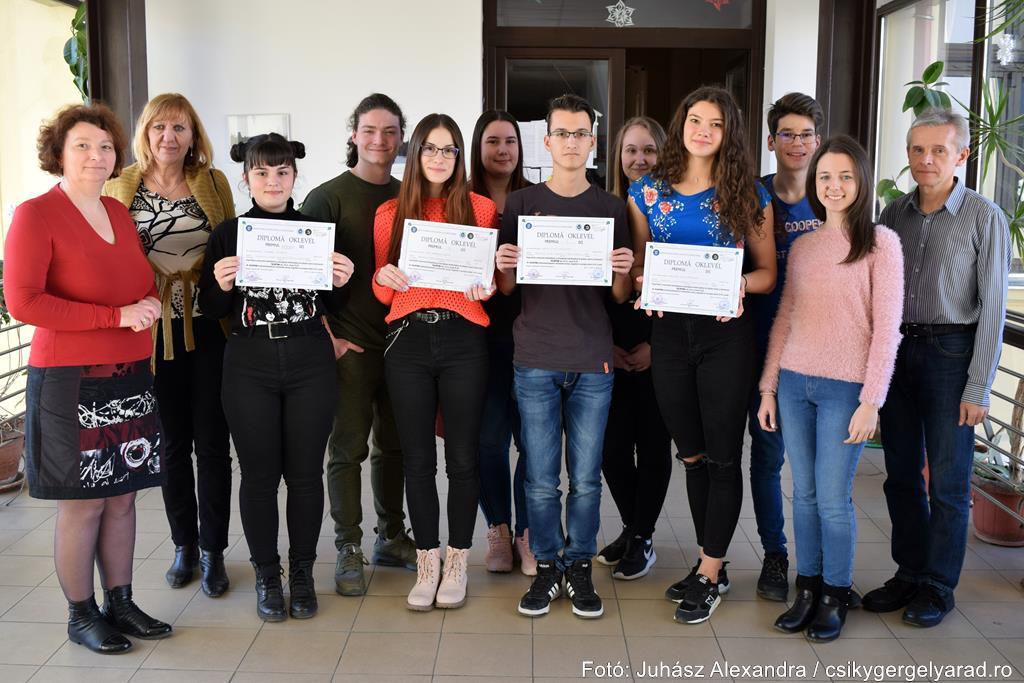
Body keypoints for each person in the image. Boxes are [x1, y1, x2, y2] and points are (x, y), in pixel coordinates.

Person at [5, 103, 169, 654]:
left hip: (130, 375)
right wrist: (116, 316)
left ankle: (121, 603)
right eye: (82, 146)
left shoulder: (117, 212)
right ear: (59, 153)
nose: (96, 156)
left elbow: (138, 281)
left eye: (104, 147)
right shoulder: (36, 215)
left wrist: (148, 301)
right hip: (71, 380)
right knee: (85, 502)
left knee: (122, 496)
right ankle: (81, 615)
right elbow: (23, 302)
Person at [627, 86, 777, 625]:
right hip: (669, 338)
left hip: (725, 338)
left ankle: (711, 572)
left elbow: (767, 273)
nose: (703, 131)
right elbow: (639, 265)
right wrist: (643, 283)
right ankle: (707, 561)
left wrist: (739, 285)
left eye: (715, 123)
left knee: (722, 457)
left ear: (728, 131)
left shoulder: (748, 194)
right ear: (681, 123)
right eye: (695, 120)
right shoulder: (646, 191)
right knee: (690, 454)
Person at [198, 133, 354, 622]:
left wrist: (342, 280)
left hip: (309, 355)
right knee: (259, 476)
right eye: (262, 172)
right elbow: (213, 309)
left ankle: (302, 572)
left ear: (294, 177)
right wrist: (219, 283)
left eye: (282, 172)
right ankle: (268, 574)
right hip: (249, 359)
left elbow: (334, 304)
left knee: (305, 475)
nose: (272, 181)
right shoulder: (229, 233)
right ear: (246, 178)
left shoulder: (316, 231)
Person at [864, 108, 1010, 628]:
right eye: (917, 149)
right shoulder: (892, 214)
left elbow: (993, 308)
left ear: (961, 155)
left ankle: (938, 585)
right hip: (898, 352)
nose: (925, 159)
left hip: (952, 355)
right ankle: (909, 572)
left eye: (939, 150)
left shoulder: (985, 216)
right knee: (901, 476)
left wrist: (979, 386)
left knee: (948, 482)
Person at [757, 135, 904, 642]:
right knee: (804, 494)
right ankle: (808, 587)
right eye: (825, 177)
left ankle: (835, 593)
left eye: (844, 176)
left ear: (861, 180)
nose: (834, 186)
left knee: (834, 498)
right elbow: (785, 318)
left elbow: (887, 330)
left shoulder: (882, 244)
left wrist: (872, 400)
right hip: (796, 382)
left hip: (846, 389)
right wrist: (769, 387)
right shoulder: (804, 247)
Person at [495, 94, 634, 619]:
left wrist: (622, 269)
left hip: (593, 358)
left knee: (587, 477)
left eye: (581, 134)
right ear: (547, 141)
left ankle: (579, 564)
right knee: (538, 477)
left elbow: (619, 295)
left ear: (592, 142)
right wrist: (505, 263)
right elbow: (507, 289)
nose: (571, 143)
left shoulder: (611, 208)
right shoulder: (521, 204)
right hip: (535, 356)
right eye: (563, 134)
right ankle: (548, 565)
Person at [104, 93, 235, 598]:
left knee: (213, 444)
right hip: (152, 333)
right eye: (159, 127)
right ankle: (184, 545)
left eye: (179, 127)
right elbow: (109, 256)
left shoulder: (213, 182)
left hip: (208, 330)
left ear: (193, 134)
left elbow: (231, 245)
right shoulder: (120, 185)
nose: (169, 137)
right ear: (146, 133)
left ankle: (214, 550)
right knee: (171, 445)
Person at [372, 113, 498, 611]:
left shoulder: (481, 208)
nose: (440, 158)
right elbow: (384, 292)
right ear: (415, 153)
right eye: (430, 148)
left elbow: (488, 284)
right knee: (418, 459)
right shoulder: (389, 213)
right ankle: (427, 563)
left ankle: (458, 562)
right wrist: (383, 278)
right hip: (408, 340)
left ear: (459, 157)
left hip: (465, 337)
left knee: (463, 457)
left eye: (449, 150)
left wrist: (487, 287)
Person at [302, 94, 416, 596]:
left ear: (401, 139)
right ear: (353, 135)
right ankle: (348, 544)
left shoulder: (410, 196)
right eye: (370, 130)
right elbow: (302, 278)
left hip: (402, 343)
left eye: (390, 131)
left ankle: (391, 536)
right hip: (349, 345)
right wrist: (329, 336)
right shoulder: (327, 198)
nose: (379, 140)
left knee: (394, 446)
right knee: (347, 448)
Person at [746, 93, 823, 602]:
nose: (797, 143)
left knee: (818, 468)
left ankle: (821, 566)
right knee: (767, 456)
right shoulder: (752, 196)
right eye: (787, 134)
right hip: (755, 344)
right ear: (772, 141)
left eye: (806, 135)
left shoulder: (834, 194)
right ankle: (775, 555)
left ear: (818, 141)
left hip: (817, 350)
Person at [596, 116, 673, 581]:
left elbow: (685, 284)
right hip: (608, 343)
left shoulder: (673, 210)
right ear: (618, 156)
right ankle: (634, 528)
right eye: (631, 150)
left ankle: (641, 535)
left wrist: (655, 347)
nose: (639, 159)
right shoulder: (605, 208)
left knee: (653, 444)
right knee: (611, 449)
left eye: (649, 149)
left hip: (660, 343)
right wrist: (604, 341)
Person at [468, 109, 536, 574]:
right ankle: (497, 528)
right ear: (478, 148)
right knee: (488, 440)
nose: (503, 150)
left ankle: (527, 532)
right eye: (492, 141)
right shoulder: (461, 202)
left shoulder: (537, 201)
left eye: (510, 140)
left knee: (533, 441)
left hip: (532, 334)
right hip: (477, 337)